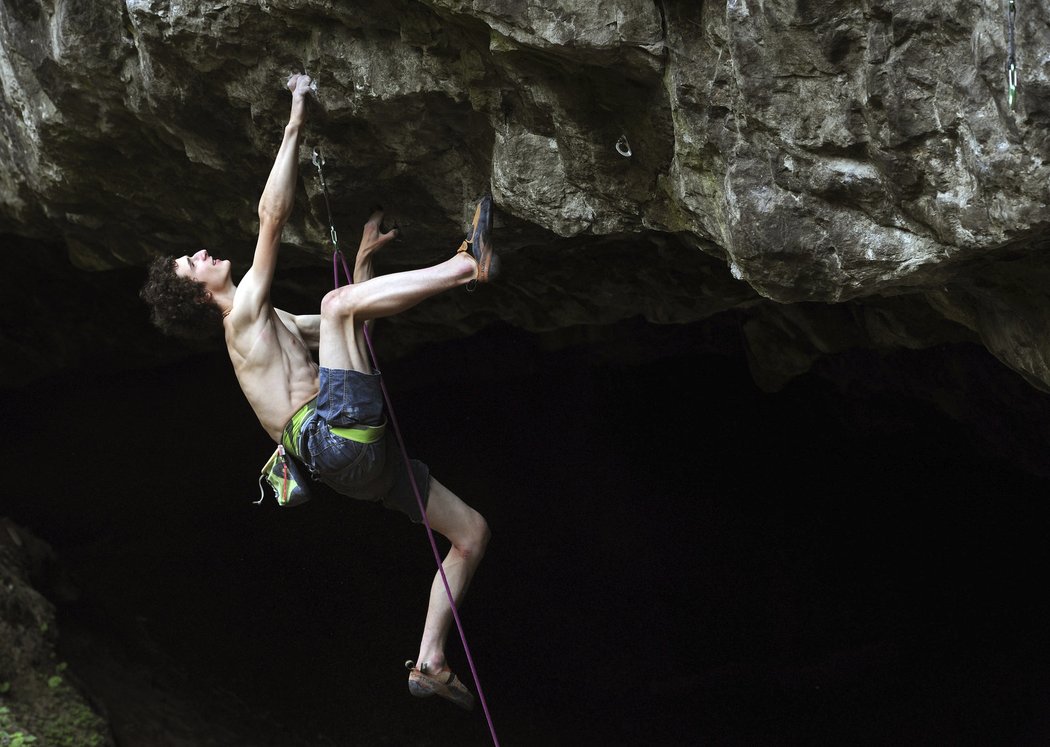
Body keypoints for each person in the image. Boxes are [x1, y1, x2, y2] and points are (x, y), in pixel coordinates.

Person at [140, 73, 499, 711]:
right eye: (190, 264)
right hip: (335, 441)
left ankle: (431, 659)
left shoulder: (266, 323)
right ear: (200, 294)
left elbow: (361, 317)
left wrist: (361, 264)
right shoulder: (241, 315)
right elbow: (272, 218)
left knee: (470, 532)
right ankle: (469, 264)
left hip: (352, 469)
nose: (200, 253)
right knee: (335, 306)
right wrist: (295, 119)